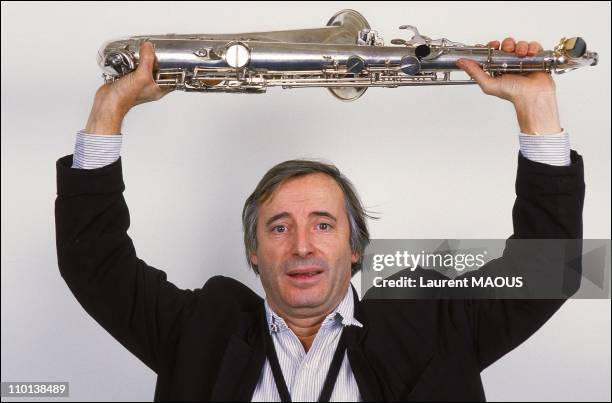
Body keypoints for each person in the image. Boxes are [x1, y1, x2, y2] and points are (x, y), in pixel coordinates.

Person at [55, 38, 584, 401]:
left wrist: (536, 110)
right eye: (279, 227)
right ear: (254, 252)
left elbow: (551, 270)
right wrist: (109, 111)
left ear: (356, 248)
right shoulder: (200, 331)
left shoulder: (431, 322)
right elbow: (93, 264)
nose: (302, 245)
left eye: (324, 224)